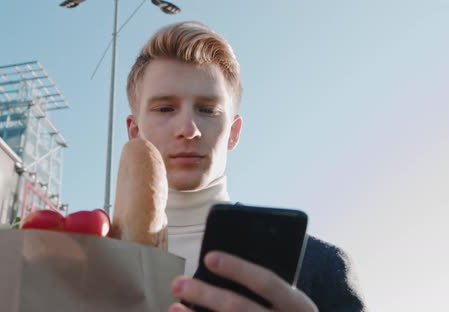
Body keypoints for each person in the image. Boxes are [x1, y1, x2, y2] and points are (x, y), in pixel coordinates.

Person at [124, 21, 365, 312]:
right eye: (165, 108)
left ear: (234, 132)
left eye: (207, 110)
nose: (188, 129)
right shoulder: (81, 257)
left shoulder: (317, 266)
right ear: (134, 131)